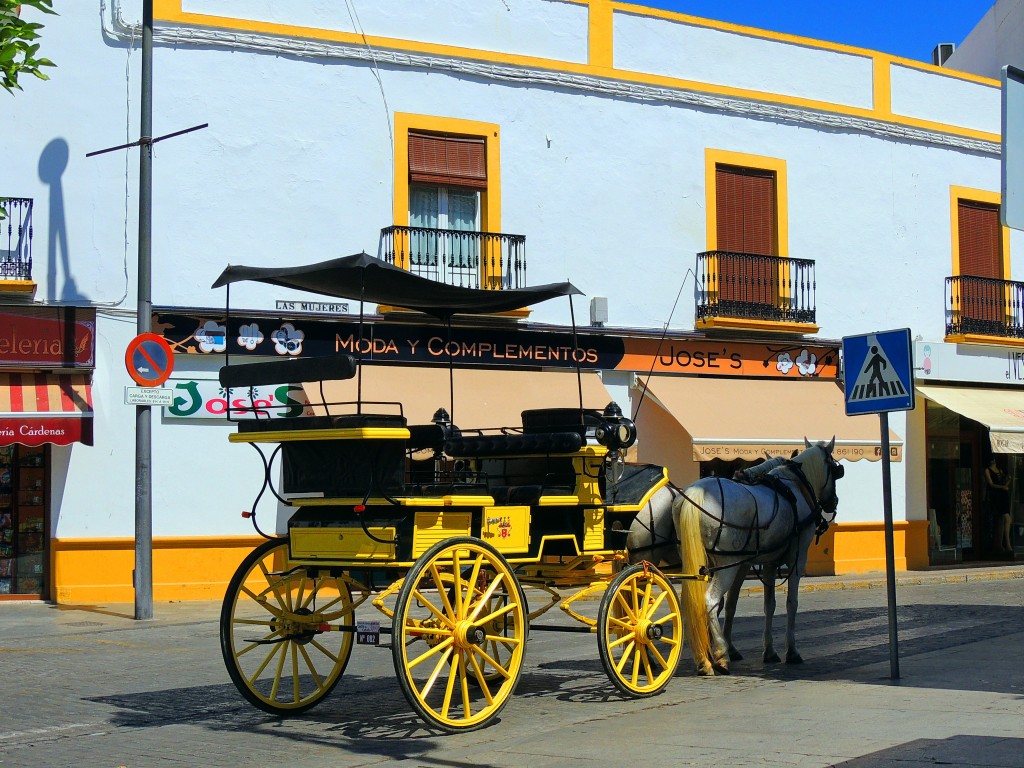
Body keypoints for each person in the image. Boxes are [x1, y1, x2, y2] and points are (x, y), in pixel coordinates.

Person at [984, 457, 1013, 555]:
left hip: (1003, 495)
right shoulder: (987, 470)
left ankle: (1002, 544)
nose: (993, 461)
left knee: (1005, 519)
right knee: (1004, 518)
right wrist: (1002, 487)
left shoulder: (1000, 470)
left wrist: (1007, 481)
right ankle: (1006, 544)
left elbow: (1005, 482)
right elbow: (991, 484)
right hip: (996, 496)